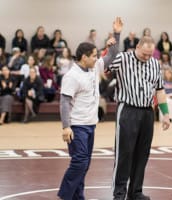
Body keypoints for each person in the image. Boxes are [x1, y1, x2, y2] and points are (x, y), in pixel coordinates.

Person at [57, 17, 123, 200]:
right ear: (84, 57)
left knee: (84, 165)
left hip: (90, 124)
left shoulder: (94, 67)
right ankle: (65, 195)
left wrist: (116, 35)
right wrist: (65, 127)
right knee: (79, 163)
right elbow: (63, 102)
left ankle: (78, 196)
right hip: (77, 126)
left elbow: (112, 56)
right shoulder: (72, 76)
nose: (96, 58)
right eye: (94, 55)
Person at [109, 36, 170, 200]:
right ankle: (119, 193)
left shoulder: (155, 63)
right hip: (127, 110)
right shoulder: (123, 58)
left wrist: (166, 114)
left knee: (142, 153)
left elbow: (160, 90)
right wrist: (114, 39)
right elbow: (106, 67)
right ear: (137, 46)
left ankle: (135, 192)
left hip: (147, 112)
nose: (146, 57)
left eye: (150, 55)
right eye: (144, 54)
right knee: (124, 153)